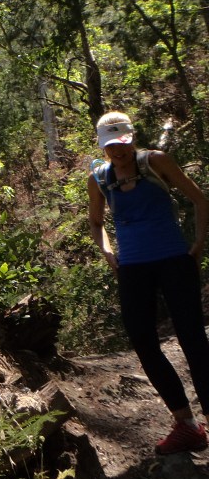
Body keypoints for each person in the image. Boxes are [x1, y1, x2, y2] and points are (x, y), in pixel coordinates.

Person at [87, 110, 209, 455]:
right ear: (103, 146)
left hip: (173, 260)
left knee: (193, 339)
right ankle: (186, 425)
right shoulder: (98, 178)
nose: (118, 151)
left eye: (122, 143)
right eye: (111, 146)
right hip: (133, 268)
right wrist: (108, 253)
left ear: (132, 138)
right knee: (144, 343)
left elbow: (199, 199)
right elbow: (95, 223)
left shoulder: (156, 162)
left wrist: (197, 245)